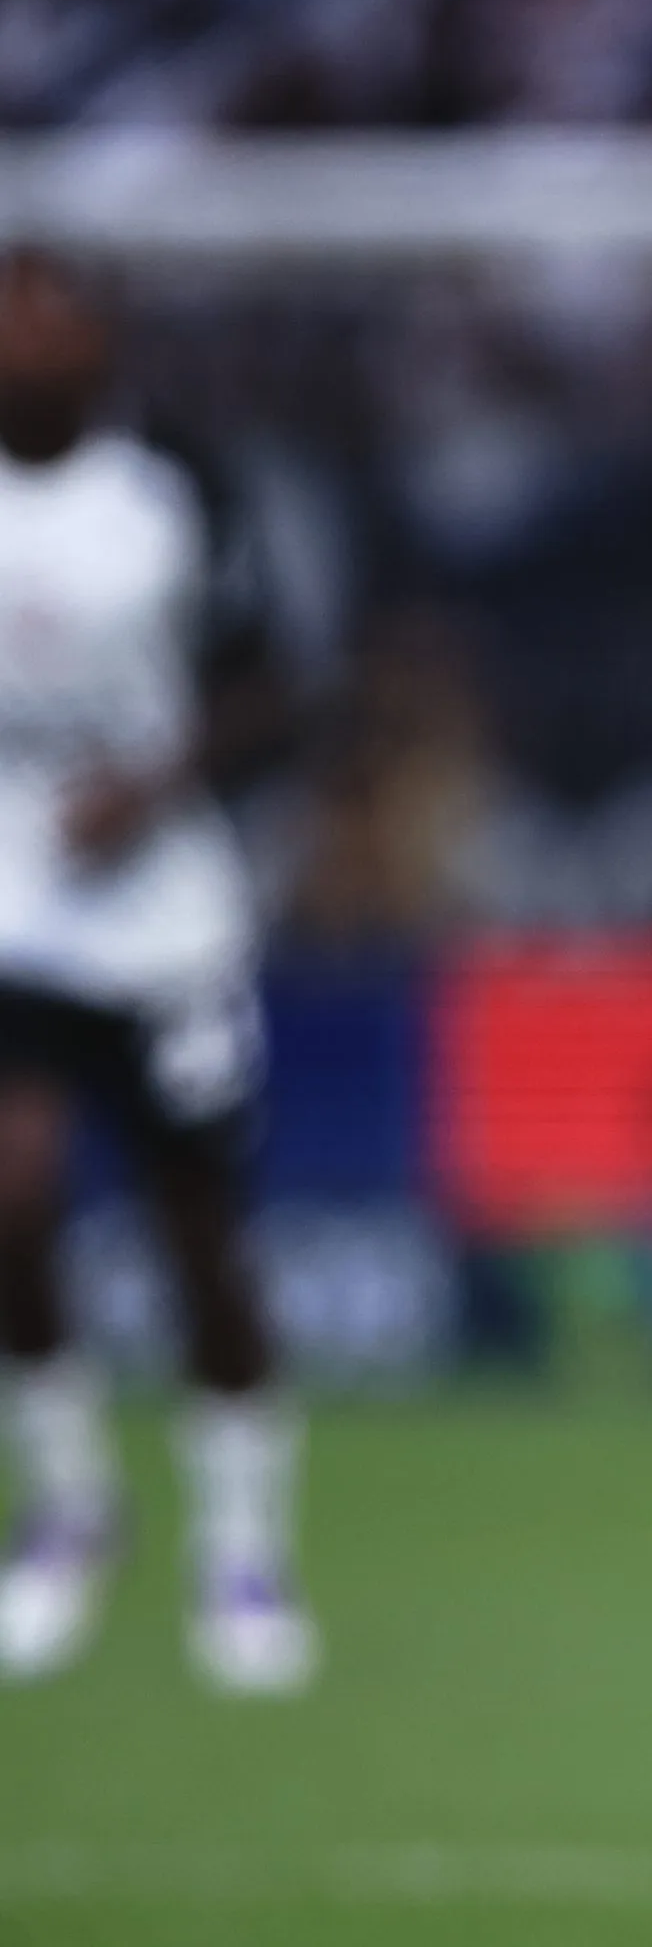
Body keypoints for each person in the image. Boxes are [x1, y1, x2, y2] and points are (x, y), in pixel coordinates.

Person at [0, 251, 314, 1695]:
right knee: (13, 1193)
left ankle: (241, 1547)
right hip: (13, 908)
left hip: (165, 917)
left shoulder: (172, 490)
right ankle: (70, 1504)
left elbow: (276, 681)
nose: (29, 340)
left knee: (204, 1241)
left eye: (50, 312)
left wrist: (154, 784)